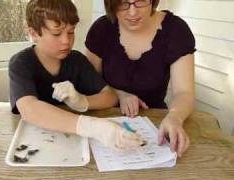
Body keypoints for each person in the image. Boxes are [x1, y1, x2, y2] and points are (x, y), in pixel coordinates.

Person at [9, 0, 145, 151]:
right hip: (33, 142)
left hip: (73, 143)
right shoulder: (21, 63)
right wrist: (92, 127)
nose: (66, 41)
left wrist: (82, 101)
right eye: (56, 34)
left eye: (71, 32)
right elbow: (29, 109)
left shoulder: (76, 60)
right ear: (33, 34)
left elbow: (110, 97)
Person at [85, 0, 196, 157]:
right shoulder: (102, 28)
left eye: (140, 1)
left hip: (155, 123)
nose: (132, 12)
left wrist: (175, 116)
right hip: (104, 122)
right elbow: (87, 83)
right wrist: (118, 94)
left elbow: (184, 92)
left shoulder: (176, 30)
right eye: (123, 3)